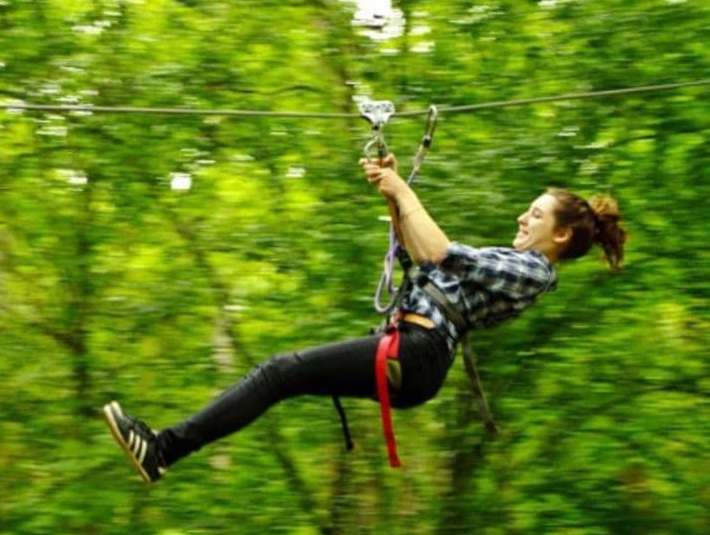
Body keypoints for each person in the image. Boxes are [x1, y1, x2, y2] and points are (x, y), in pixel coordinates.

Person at [102, 154, 627, 483]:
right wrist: (394, 195)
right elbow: (425, 254)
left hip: (417, 355)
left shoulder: (533, 271)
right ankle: (164, 450)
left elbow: (442, 251)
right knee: (280, 375)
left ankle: (164, 450)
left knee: (278, 372)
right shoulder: (519, 264)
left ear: (560, 236)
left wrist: (404, 192)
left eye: (535, 214)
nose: (521, 216)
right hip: (413, 352)